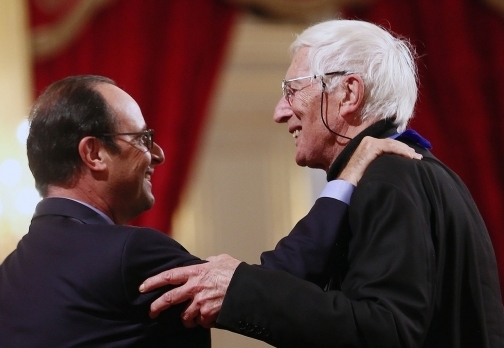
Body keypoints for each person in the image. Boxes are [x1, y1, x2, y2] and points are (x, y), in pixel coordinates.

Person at [140, 19, 504, 348]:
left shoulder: (388, 176)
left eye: (292, 90)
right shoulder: (421, 171)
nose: (279, 112)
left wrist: (239, 288)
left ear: (348, 93)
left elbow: (385, 331)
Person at [0, 75, 417, 347]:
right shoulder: (130, 254)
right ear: (94, 153)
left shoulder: (9, 275)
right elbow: (271, 286)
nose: (158, 154)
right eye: (143, 137)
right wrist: (347, 178)